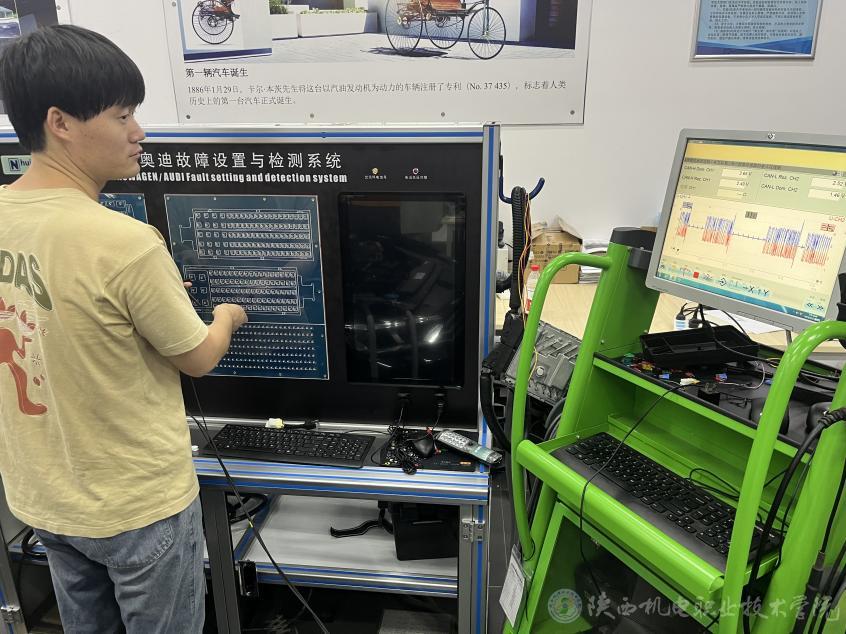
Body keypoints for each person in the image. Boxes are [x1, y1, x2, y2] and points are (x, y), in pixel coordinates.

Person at [0, 25, 247, 633]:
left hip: (45, 497)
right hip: (137, 505)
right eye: (122, 115)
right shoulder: (124, 242)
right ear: (60, 122)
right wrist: (225, 316)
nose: (139, 132)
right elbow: (198, 358)